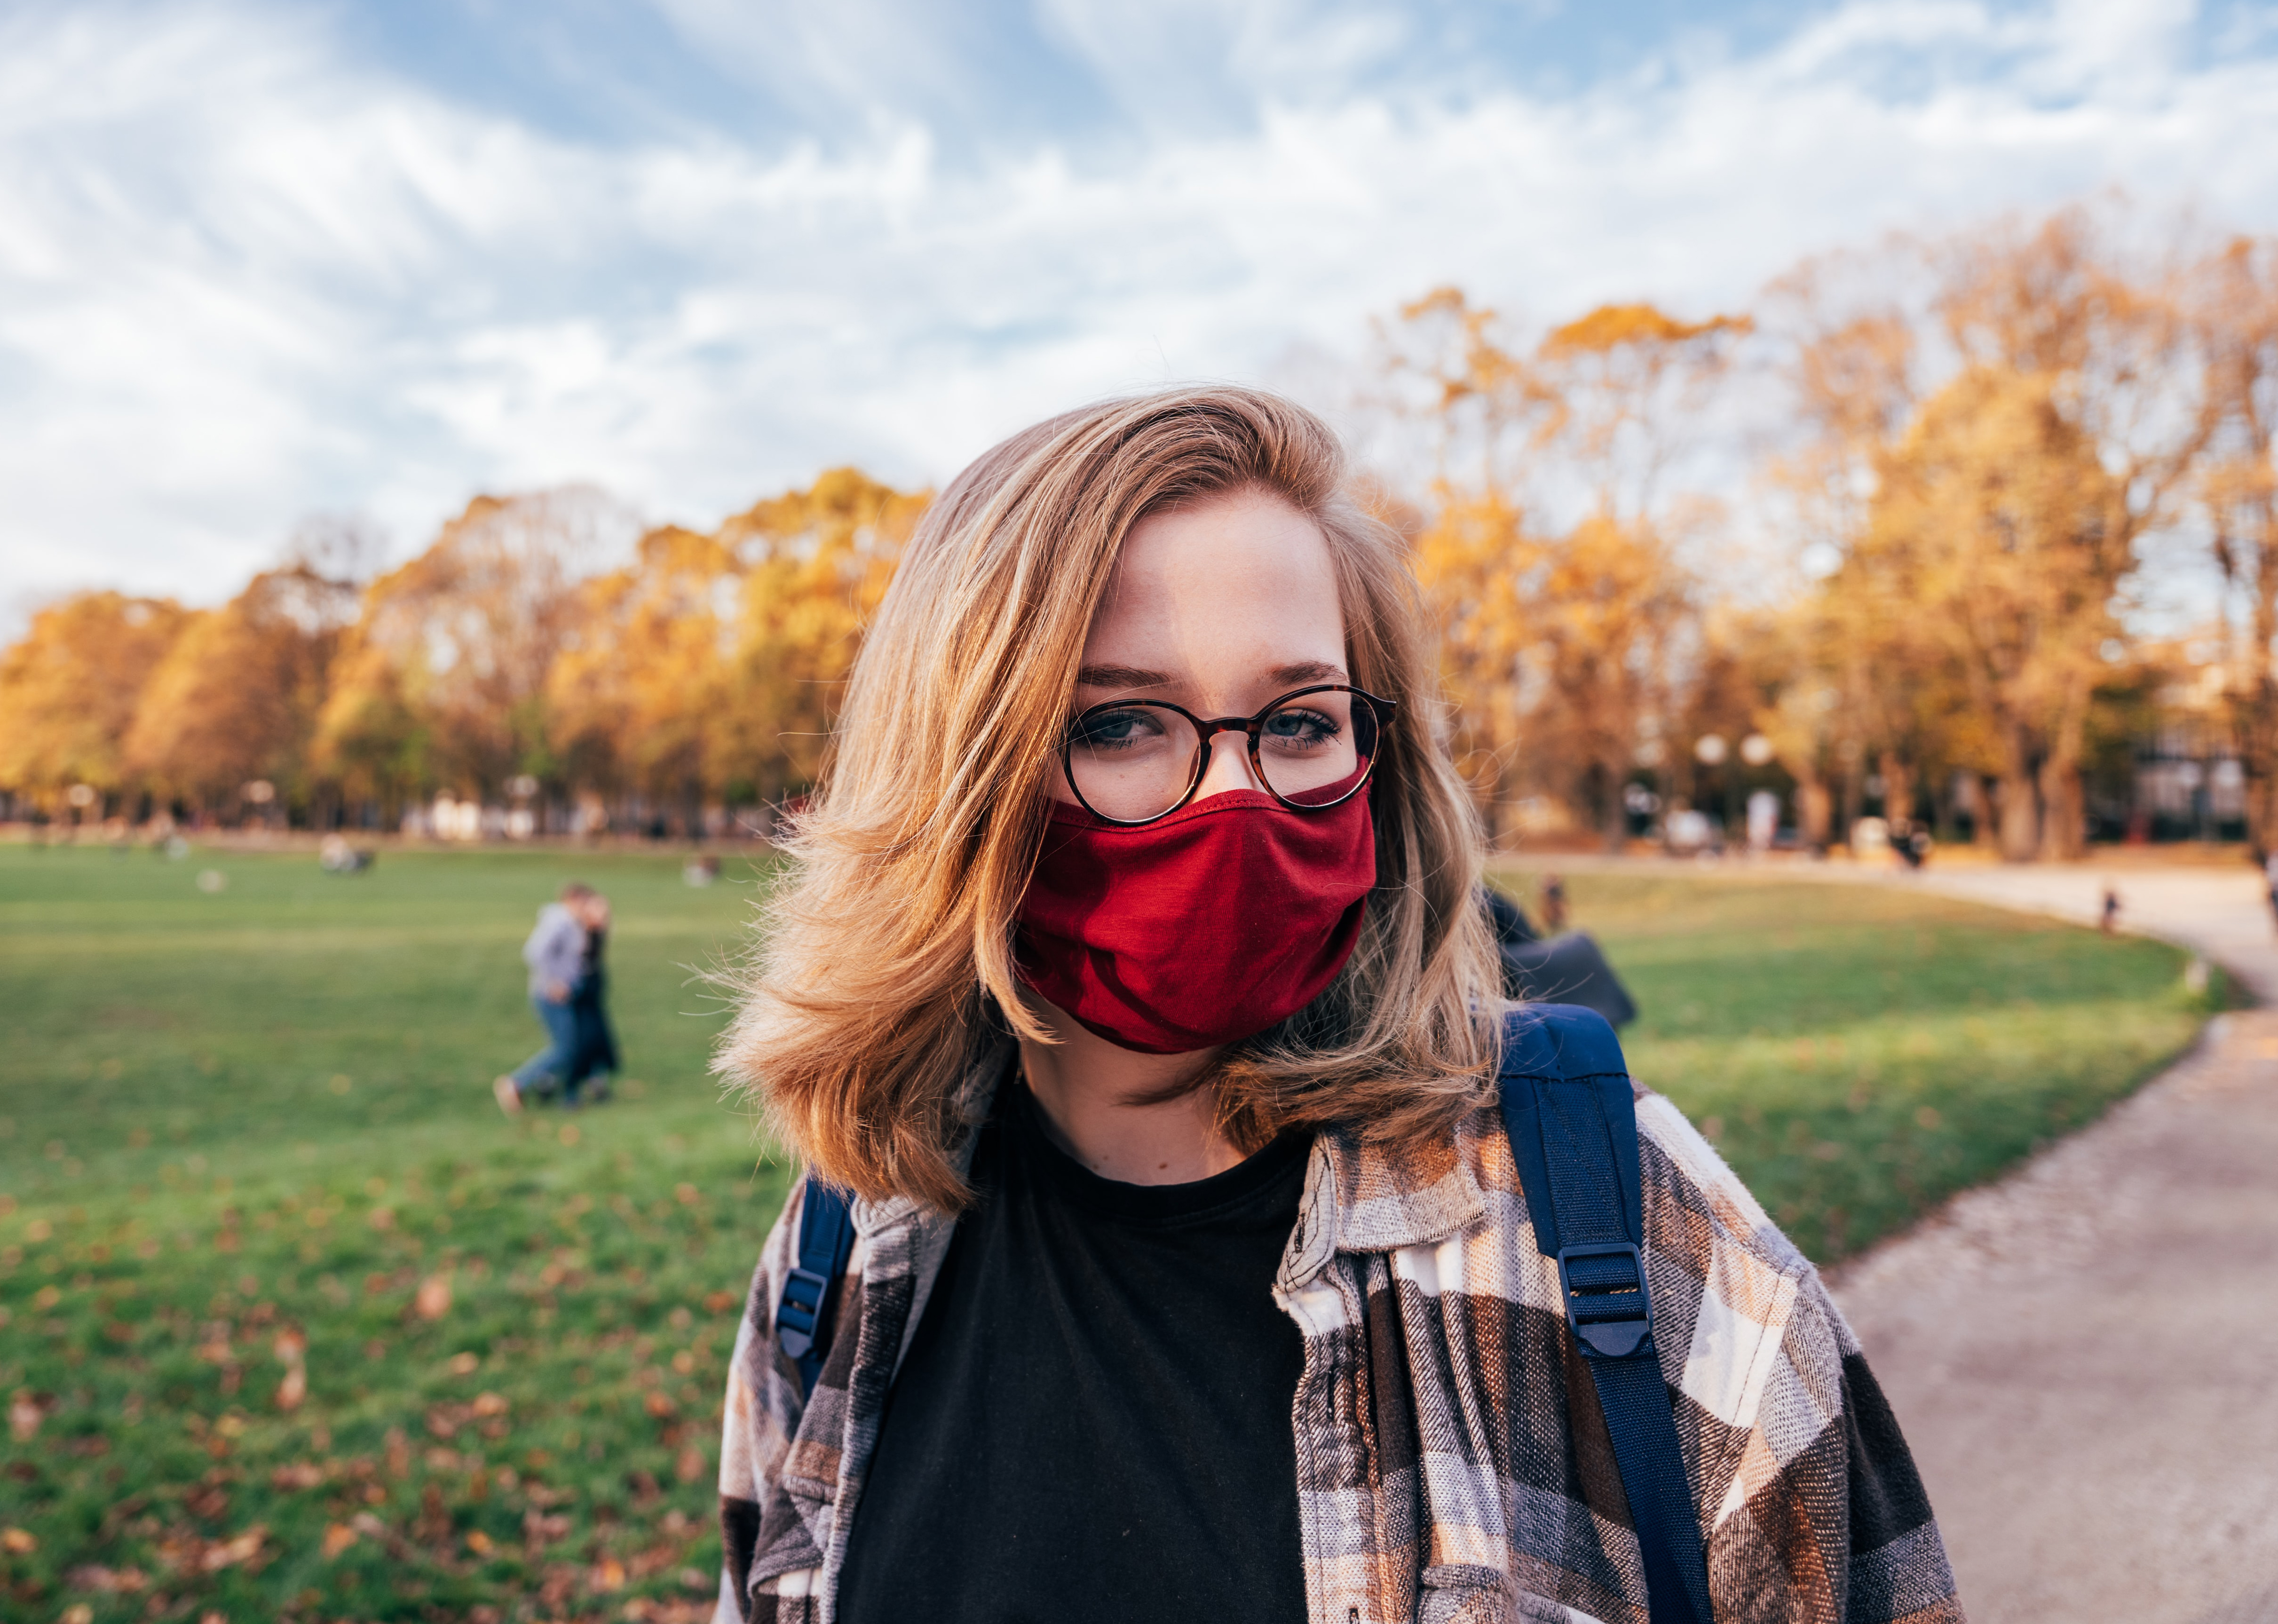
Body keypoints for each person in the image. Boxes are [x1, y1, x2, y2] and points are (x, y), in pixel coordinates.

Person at [709, 388, 1960, 1623]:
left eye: (1300, 718)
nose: (1235, 793)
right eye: (1120, 721)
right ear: (957, 771)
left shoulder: (1622, 1229)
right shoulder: (847, 1248)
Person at [494, 882, 600, 1114]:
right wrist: (553, 982)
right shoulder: (559, 922)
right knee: (567, 1049)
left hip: (564, 995)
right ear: (574, 900)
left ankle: (547, 1085)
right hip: (551, 996)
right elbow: (534, 952)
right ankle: (516, 1083)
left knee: (568, 1046)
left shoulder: (571, 923)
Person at [563, 891, 618, 1106]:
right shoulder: (577, 934)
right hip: (580, 997)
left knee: (597, 1041)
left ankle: (596, 1083)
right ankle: (563, 1087)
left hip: (593, 996)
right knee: (581, 1043)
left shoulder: (597, 933)